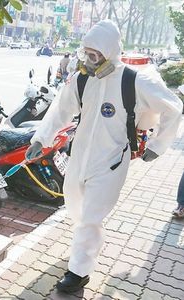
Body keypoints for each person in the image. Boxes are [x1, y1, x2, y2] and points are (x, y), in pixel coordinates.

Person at [25, 20, 182, 293]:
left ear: (109, 52)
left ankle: (78, 273)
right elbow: (60, 110)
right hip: (79, 157)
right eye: (86, 52)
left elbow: (173, 107)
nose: (89, 59)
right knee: (76, 209)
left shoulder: (134, 81)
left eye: (95, 54)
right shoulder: (82, 79)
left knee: (90, 218)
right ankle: (87, 244)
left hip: (110, 162)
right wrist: (41, 139)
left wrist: (157, 146)